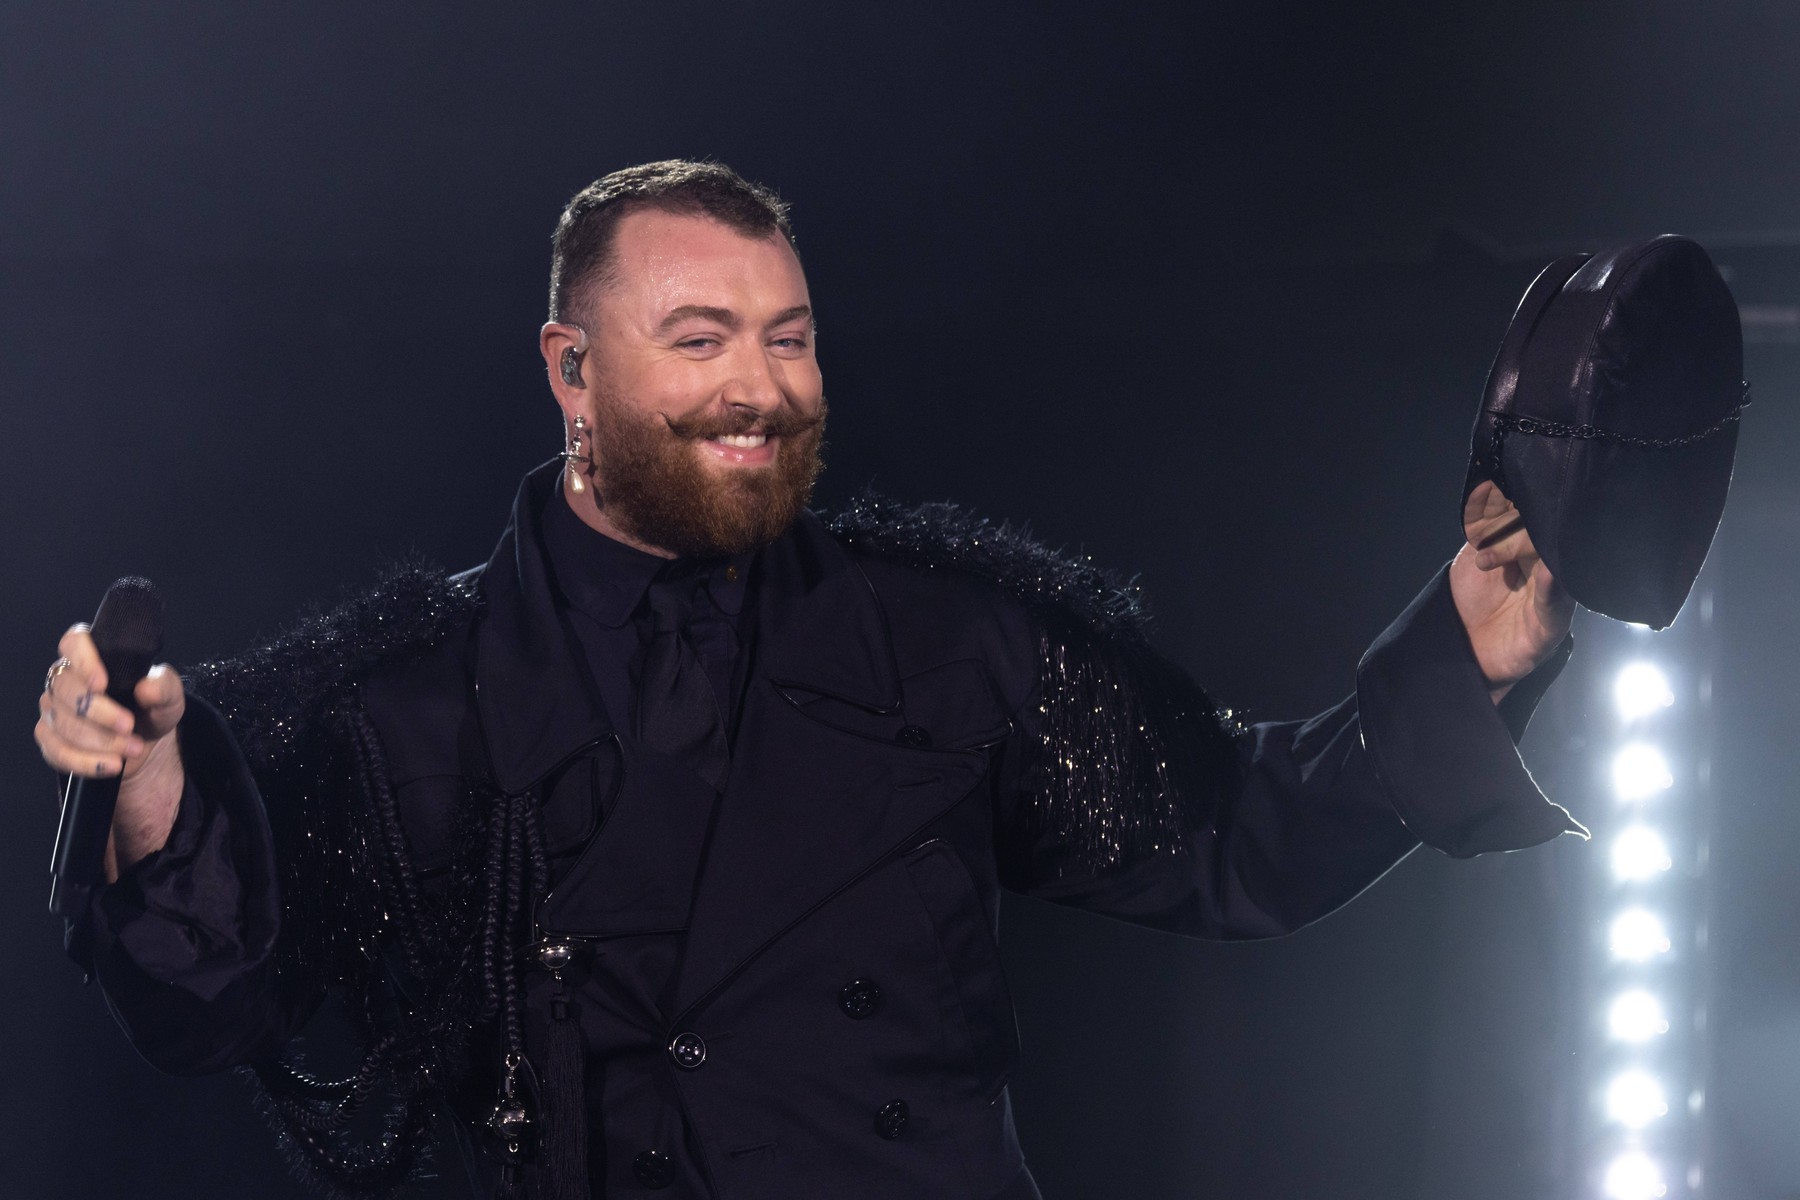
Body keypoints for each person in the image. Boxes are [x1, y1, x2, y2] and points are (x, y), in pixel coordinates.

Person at [35, 160, 1585, 1200]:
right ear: (573, 370)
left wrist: (1468, 658)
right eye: (700, 339)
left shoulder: (953, 639)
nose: (759, 390)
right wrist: (154, 802)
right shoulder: (402, 700)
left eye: (789, 339)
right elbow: (216, 1009)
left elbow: (1240, 839)